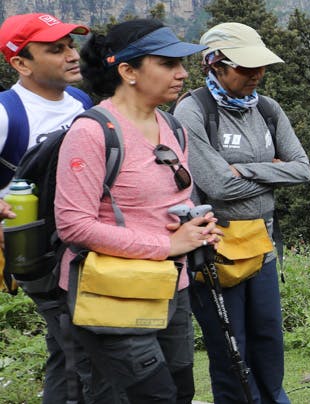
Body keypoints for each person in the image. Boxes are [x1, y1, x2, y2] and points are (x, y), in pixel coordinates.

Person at [60, 19, 219, 403]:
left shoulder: (171, 125)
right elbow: (73, 225)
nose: (182, 74)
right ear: (128, 71)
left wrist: (195, 225)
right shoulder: (92, 132)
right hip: (112, 293)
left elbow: (167, 201)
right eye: (167, 64)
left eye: (181, 63)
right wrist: (166, 245)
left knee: (181, 391)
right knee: (151, 396)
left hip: (170, 288)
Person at [173, 22, 309, 404]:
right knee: (231, 347)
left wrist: (245, 170)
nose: (257, 75)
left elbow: (302, 168)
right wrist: (273, 173)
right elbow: (218, 187)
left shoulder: (267, 109)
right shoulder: (192, 111)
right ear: (216, 65)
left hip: (263, 243)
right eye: (245, 68)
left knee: (268, 339)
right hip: (217, 248)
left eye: (260, 66)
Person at [0, 12, 91, 404]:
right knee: (80, 345)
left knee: (65, 346)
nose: (72, 55)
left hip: (78, 245)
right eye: (56, 49)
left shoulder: (82, 102)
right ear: (21, 63)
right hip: (34, 252)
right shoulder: (7, 111)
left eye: (71, 45)